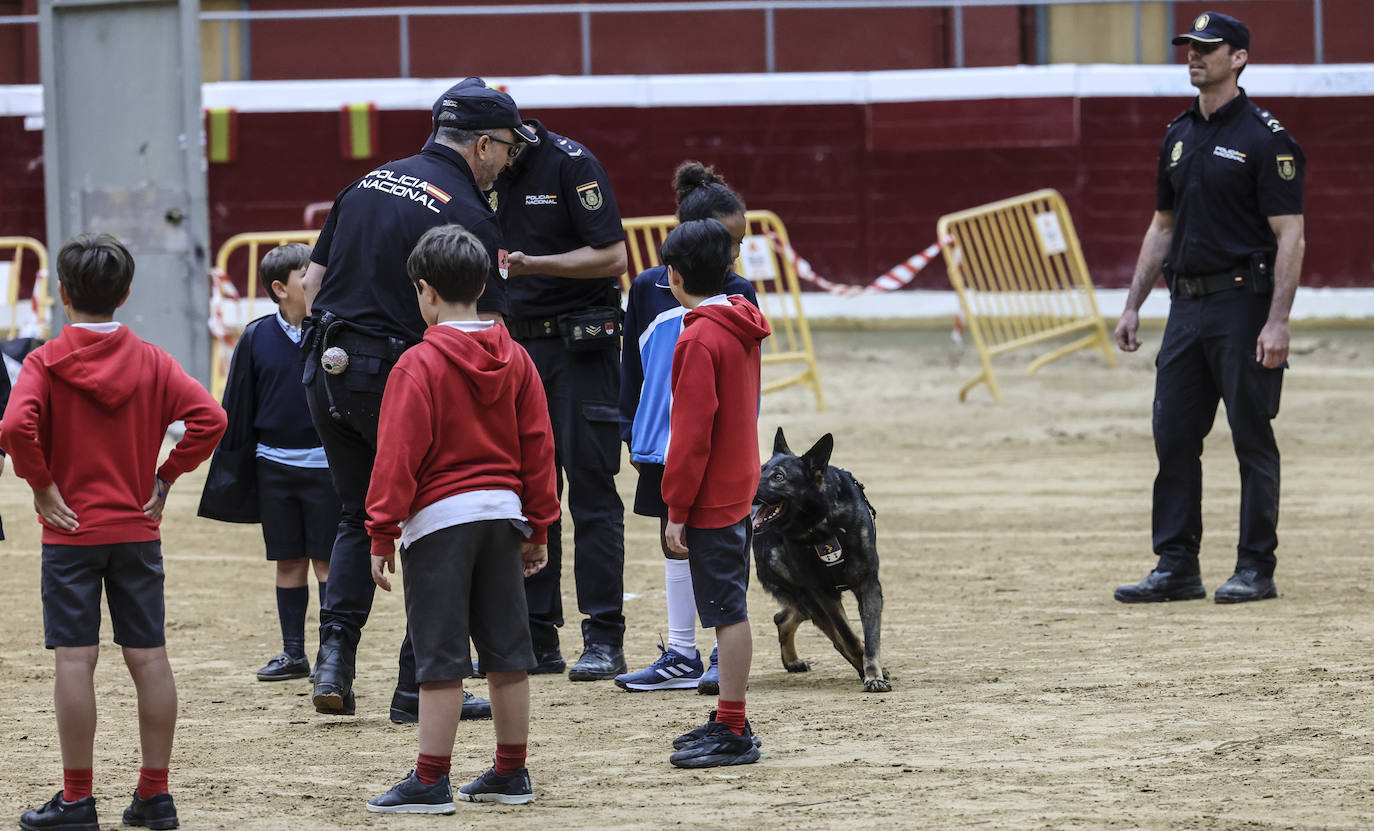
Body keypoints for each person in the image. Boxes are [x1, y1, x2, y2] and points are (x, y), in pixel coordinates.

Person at [301, 78, 538, 719]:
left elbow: (313, 284)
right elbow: (487, 329)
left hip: (329, 368)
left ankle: (334, 661)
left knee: (357, 514)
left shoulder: (367, 182)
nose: (509, 163)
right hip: (401, 378)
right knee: (436, 518)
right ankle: (417, 687)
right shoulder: (469, 210)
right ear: (483, 144)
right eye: (509, 149)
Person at [2, 233, 227, 831]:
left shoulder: (44, 361)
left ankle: (78, 799)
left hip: (71, 532)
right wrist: (166, 477)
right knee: (149, 658)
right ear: (125, 293)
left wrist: (42, 486)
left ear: (62, 294)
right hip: (135, 528)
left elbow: (14, 427)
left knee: (75, 662)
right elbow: (211, 418)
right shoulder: (152, 359)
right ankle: (155, 795)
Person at [364, 225, 558, 812]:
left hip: (438, 524)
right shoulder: (518, 358)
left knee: (440, 657)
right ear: (483, 284)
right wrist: (540, 524)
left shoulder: (416, 366)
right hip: (504, 515)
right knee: (508, 652)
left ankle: (430, 779)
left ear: (424, 292)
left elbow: (398, 455)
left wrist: (381, 530)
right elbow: (539, 446)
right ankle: (511, 771)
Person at [1113, 11, 1305, 605]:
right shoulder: (1178, 135)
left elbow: (1290, 236)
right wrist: (1132, 305)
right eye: (1189, 48)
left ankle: (1255, 568)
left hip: (1244, 305)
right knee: (1172, 436)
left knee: (1251, 437)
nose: (1193, 56)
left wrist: (1277, 321)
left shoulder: (1266, 138)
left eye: (1207, 48)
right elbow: (1162, 227)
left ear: (1238, 58)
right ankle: (1176, 566)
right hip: (1187, 309)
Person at [490, 118, 629, 681]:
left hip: (580, 348)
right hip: (517, 345)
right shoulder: (474, 170)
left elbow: (613, 256)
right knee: (523, 490)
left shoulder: (571, 164)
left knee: (592, 490)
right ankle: (536, 637)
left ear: (502, 138)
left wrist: (531, 264)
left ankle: (604, 637)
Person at [615, 161, 759, 694]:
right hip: (659, 444)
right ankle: (681, 652)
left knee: (719, 546)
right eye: (730, 242)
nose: (737, 255)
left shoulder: (739, 295)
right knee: (673, 541)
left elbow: (742, 384)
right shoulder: (651, 288)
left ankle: (725, 654)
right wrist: (631, 427)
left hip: (711, 447)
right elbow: (631, 362)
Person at [657, 219, 770, 768]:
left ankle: (733, 724)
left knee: (728, 612)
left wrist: (676, 508)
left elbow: (691, 433)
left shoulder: (697, 335)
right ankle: (731, 716)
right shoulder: (739, 322)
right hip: (738, 482)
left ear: (674, 276)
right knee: (729, 608)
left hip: (712, 496)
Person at [197, 243, 337, 681]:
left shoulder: (334, 331)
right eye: (307, 276)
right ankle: (293, 653)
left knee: (327, 564)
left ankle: (331, 656)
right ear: (280, 288)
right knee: (289, 561)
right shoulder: (256, 337)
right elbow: (237, 407)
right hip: (273, 468)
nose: (317, 282)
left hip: (327, 469)